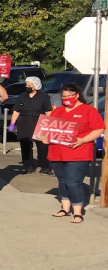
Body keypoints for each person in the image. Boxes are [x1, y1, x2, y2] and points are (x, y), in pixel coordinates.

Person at [42, 83, 105, 223]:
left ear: (76, 95)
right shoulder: (58, 111)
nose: (66, 99)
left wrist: (83, 140)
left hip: (79, 153)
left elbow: (99, 129)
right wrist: (45, 138)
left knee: (73, 182)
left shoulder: (88, 110)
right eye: (63, 97)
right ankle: (65, 208)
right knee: (62, 181)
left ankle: (78, 212)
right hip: (57, 152)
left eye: (69, 96)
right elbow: (49, 130)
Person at [8, 76, 52, 174]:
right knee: (25, 145)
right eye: (26, 85)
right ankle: (28, 166)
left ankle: (44, 166)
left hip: (39, 121)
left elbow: (48, 111)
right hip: (24, 122)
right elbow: (16, 110)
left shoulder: (44, 96)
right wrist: (12, 123)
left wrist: (50, 125)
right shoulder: (22, 96)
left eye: (30, 85)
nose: (27, 87)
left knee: (42, 145)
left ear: (35, 85)